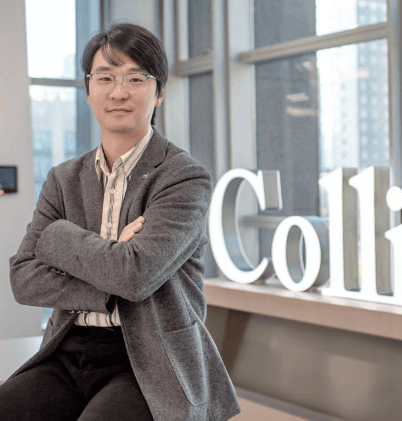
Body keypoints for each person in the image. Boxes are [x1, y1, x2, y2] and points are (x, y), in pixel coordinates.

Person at [0, 23, 240, 421]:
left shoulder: (182, 177)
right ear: (89, 91)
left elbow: (135, 275)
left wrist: (60, 238)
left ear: (159, 91)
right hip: (67, 348)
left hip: (151, 359)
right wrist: (112, 261)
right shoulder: (64, 178)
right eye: (105, 78)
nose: (119, 91)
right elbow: (24, 277)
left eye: (135, 78)